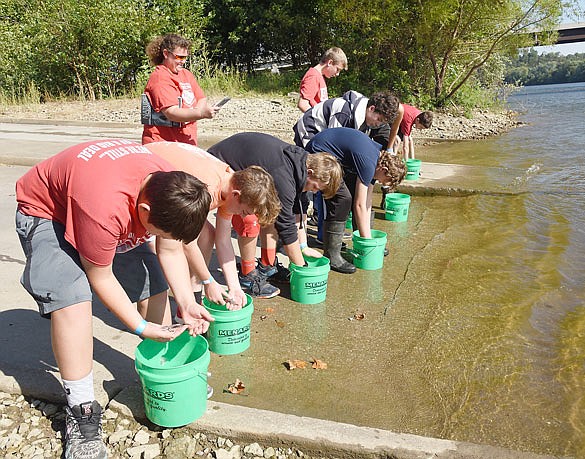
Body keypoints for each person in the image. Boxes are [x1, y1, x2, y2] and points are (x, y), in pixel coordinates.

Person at [15, 139, 213, 459]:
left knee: (153, 279)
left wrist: (187, 303)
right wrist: (140, 327)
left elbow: (171, 247)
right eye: (159, 230)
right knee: (73, 298)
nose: (162, 237)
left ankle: (163, 372)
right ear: (145, 210)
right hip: (48, 213)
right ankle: (81, 412)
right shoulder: (104, 208)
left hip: (102, 204)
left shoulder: (168, 184)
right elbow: (101, 277)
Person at [144, 141, 281, 309]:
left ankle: (194, 292)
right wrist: (209, 280)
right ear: (237, 195)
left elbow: (223, 240)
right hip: (146, 167)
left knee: (208, 234)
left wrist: (235, 287)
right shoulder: (206, 190)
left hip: (170, 164)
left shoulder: (232, 185)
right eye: (244, 212)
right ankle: (184, 302)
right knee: (171, 242)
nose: (241, 215)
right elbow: (188, 243)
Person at [208, 133, 342, 298]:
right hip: (220, 164)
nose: (314, 192)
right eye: (315, 187)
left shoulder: (300, 166)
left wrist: (303, 246)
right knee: (250, 219)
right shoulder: (285, 177)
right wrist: (301, 267)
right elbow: (286, 227)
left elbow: (295, 211)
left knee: (272, 211)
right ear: (310, 172)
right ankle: (247, 274)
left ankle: (267, 264)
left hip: (249, 170)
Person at [305, 128, 407, 273]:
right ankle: (332, 255)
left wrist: (369, 239)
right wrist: (368, 244)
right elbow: (359, 205)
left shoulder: (376, 160)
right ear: (384, 169)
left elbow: (367, 200)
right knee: (342, 199)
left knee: (355, 195)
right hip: (319, 153)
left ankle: (361, 241)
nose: (382, 183)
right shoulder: (369, 163)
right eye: (385, 180)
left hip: (336, 156)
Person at [141, 33, 220, 146]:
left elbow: (201, 98)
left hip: (186, 142)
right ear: (166, 54)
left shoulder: (186, 74)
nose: (183, 61)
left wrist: (198, 111)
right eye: (179, 57)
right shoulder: (160, 77)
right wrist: (200, 113)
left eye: (185, 57)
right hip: (164, 145)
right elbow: (171, 113)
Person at [293, 90, 399, 148]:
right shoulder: (344, 114)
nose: (378, 124)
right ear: (371, 108)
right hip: (310, 128)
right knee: (316, 165)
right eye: (379, 120)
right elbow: (332, 144)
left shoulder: (370, 116)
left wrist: (389, 148)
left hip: (327, 132)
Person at [380, 104, 434, 208]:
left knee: (402, 140)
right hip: (390, 119)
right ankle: (392, 163)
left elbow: (410, 140)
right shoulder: (409, 120)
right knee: (396, 141)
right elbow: (405, 147)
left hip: (398, 119)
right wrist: (407, 166)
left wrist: (414, 164)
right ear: (418, 120)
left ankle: (392, 161)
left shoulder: (418, 114)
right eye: (421, 127)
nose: (420, 130)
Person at [297, 47, 348, 113]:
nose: (337, 74)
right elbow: (303, 104)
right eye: (337, 69)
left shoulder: (319, 76)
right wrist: (319, 119)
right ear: (330, 62)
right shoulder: (313, 76)